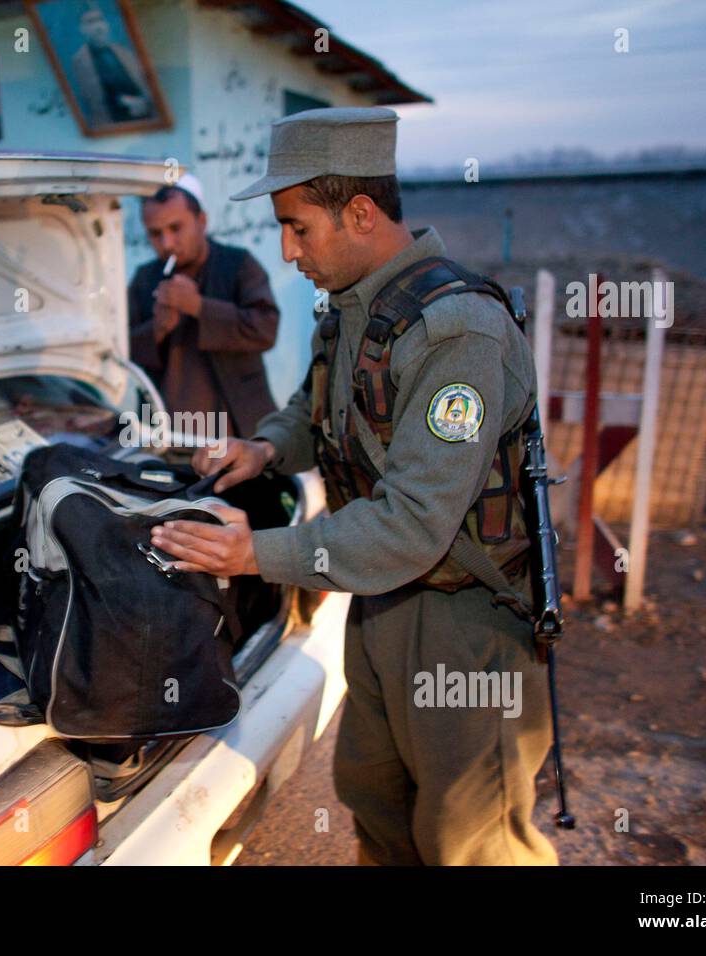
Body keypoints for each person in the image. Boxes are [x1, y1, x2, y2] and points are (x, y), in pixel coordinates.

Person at [148, 107, 559, 866]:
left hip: (463, 625)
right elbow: (320, 411)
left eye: (298, 227)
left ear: (361, 213)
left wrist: (252, 554)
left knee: (470, 840)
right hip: (379, 602)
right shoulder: (350, 310)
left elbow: (409, 523)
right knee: (378, 801)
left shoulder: (456, 332)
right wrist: (264, 448)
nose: (286, 248)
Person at [128, 173, 280, 441]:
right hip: (172, 436)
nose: (166, 243)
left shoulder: (239, 265)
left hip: (241, 429)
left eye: (176, 228)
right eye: (155, 234)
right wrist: (158, 328)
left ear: (202, 221)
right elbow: (123, 356)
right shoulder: (144, 279)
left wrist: (198, 306)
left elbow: (265, 329)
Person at [70, 3, 153, 125]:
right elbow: (90, 102)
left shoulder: (126, 53)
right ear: (82, 29)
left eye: (100, 20)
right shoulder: (78, 62)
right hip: (111, 123)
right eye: (90, 22)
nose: (98, 26)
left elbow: (147, 84)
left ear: (107, 24)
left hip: (146, 117)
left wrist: (144, 101)